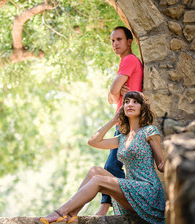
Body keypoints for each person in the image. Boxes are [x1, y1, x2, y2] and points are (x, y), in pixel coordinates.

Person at [36, 91, 166, 224]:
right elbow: (93, 142)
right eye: (126, 102)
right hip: (131, 191)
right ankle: (72, 213)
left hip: (147, 190)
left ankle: (59, 213)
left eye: (135, 102)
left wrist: (172, 165)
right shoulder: (122, 138)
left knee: (98, 180)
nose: (130, 104)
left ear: (142, 107)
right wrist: (113, 121)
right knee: (94, 171)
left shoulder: (150, 131)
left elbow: (161, 164)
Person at [98, 26, 143, 216]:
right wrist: (113, 92)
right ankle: (114, 207)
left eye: (119, 40)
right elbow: (111, 96)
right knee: (114, 165)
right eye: (112, 41)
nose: (115, 44)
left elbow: (113, 92)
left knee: (112, 165)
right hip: (122, 121)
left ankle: (122, 208)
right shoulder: (129, 61)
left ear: (129, 42)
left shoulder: (129, 60)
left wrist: (114, 92)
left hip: (125, 120)